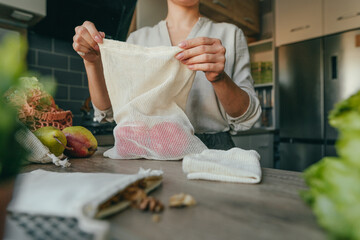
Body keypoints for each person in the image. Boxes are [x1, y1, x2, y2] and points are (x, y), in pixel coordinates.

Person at [72, 0, 261, 150]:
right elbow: (109, 110)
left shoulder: (231, 34)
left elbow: (247, 116)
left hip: (216, 151)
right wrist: (91, 62)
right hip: (151, 149)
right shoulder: (138, 40)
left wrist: (219, 78)